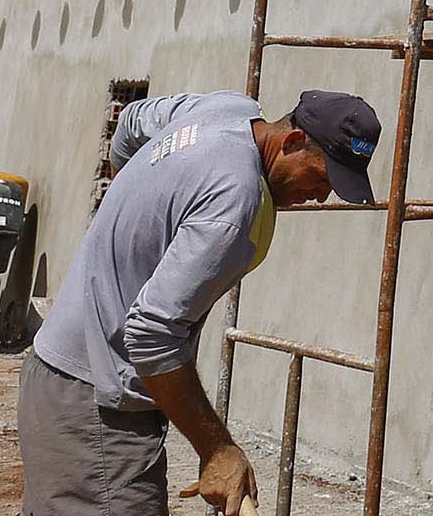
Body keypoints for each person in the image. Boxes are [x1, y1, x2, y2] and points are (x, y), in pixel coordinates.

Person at [19, 88, 381, 516]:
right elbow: (152, 334)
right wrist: (217, 449)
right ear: (292, 142)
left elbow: (131, 121)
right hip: (94, 404)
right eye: (321, 178)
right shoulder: (234, 203)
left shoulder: (223, 109)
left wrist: (132, 204)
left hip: (59, 374)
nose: (321, 196)